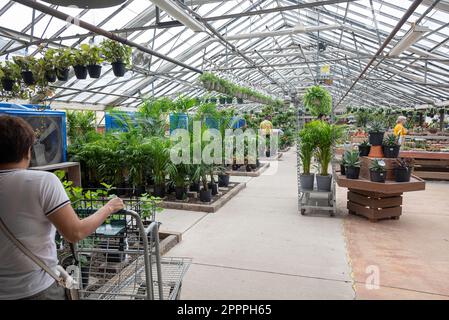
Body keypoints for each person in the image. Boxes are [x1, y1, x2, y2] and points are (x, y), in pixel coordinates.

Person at [0, 115, 124, 300]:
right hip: (36, 290)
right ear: (27, 151)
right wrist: (109, 208)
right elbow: (75, 233)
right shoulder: (41, 182)